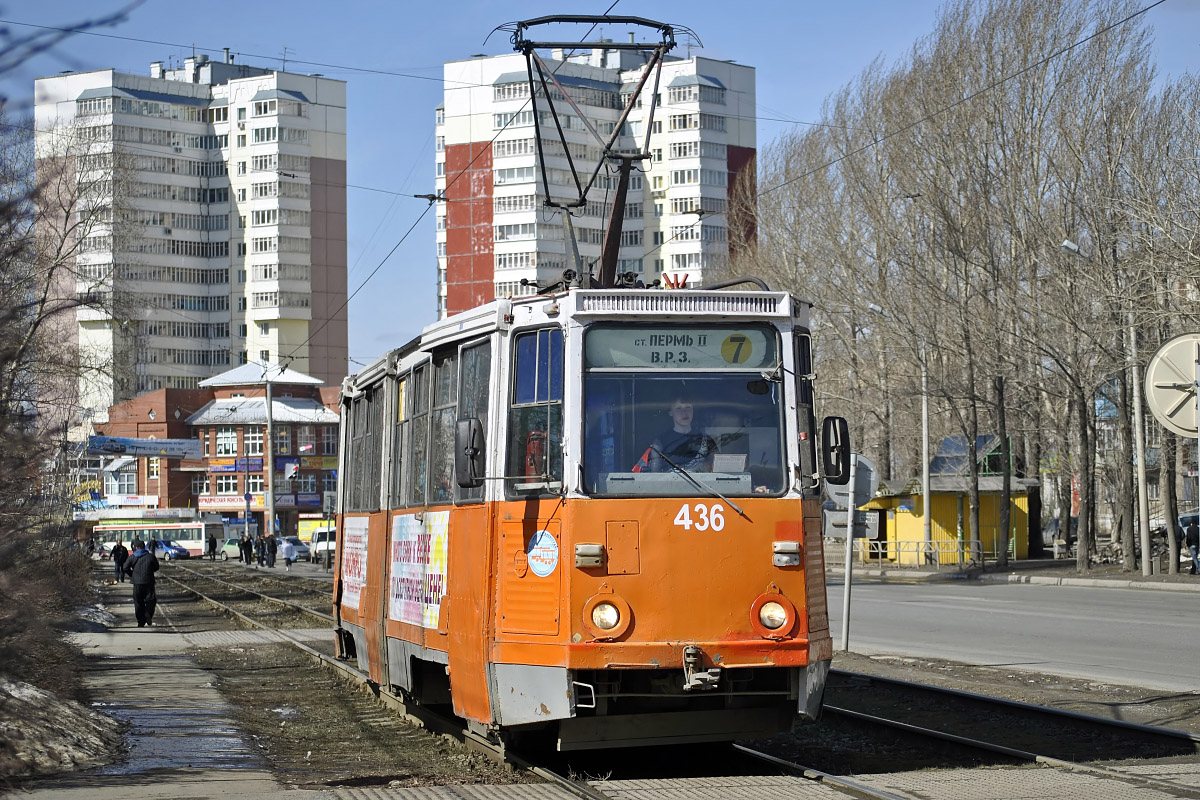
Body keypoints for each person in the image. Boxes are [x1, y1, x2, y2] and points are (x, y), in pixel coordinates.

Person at [637, 394, 717, 473]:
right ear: (670, 412)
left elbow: (716, 470)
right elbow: (654, 475)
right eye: (678, 408)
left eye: (688, 407)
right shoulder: (660, 443)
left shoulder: (706, 441)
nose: (684, 412)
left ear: (693, 410)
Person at [123, 539, 160, 628]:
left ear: (136, 547)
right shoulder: (150, 556)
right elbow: (156, 567)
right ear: (144, 547)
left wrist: (132, 574)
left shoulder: (132, 557)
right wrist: (150, 570)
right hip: (149, 582)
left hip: (137, 583)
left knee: (138, 602)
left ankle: (140, 622)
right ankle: (148, 613)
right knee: (151, 600)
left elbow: (125, 567)